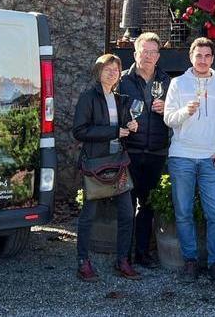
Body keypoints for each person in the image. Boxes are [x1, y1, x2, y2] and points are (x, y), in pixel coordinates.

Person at [163, 38, 215, 285]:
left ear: (212, 59)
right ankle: (190, 262)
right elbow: (169, 119)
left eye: (207, 55)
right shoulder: (178, 83)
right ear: (191, 57)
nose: (203, 60)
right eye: (199, 55)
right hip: (182, 155)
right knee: (183, 213)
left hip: (210, 159)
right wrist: (186, 112)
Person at [74, 54, 140, 281]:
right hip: (95, 164)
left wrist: (130, 126)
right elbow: (79, 131)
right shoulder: (88, 97)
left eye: (116, 69)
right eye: (107, 69)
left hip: (118, 162)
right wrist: (114, 132)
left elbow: (121, 130)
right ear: (98, 71)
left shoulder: (120, 98)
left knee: (126, 213)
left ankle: (122, 260)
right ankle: (83, 262)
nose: (112, 73)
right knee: (89, 214)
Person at [117, 33, 171, 269]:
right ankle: (123, 255)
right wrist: (124, 124)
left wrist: (166, 109)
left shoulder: (168, 82)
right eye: (144, 51)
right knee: (127, 206)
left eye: (152, 52)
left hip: (156, 152)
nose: (148, 56)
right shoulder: (122, 81)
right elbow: (112, 114)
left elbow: (177, 116)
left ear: (158, 57)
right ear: (135, 53)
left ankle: (142, 253)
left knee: (147, 206)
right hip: (131, 152)